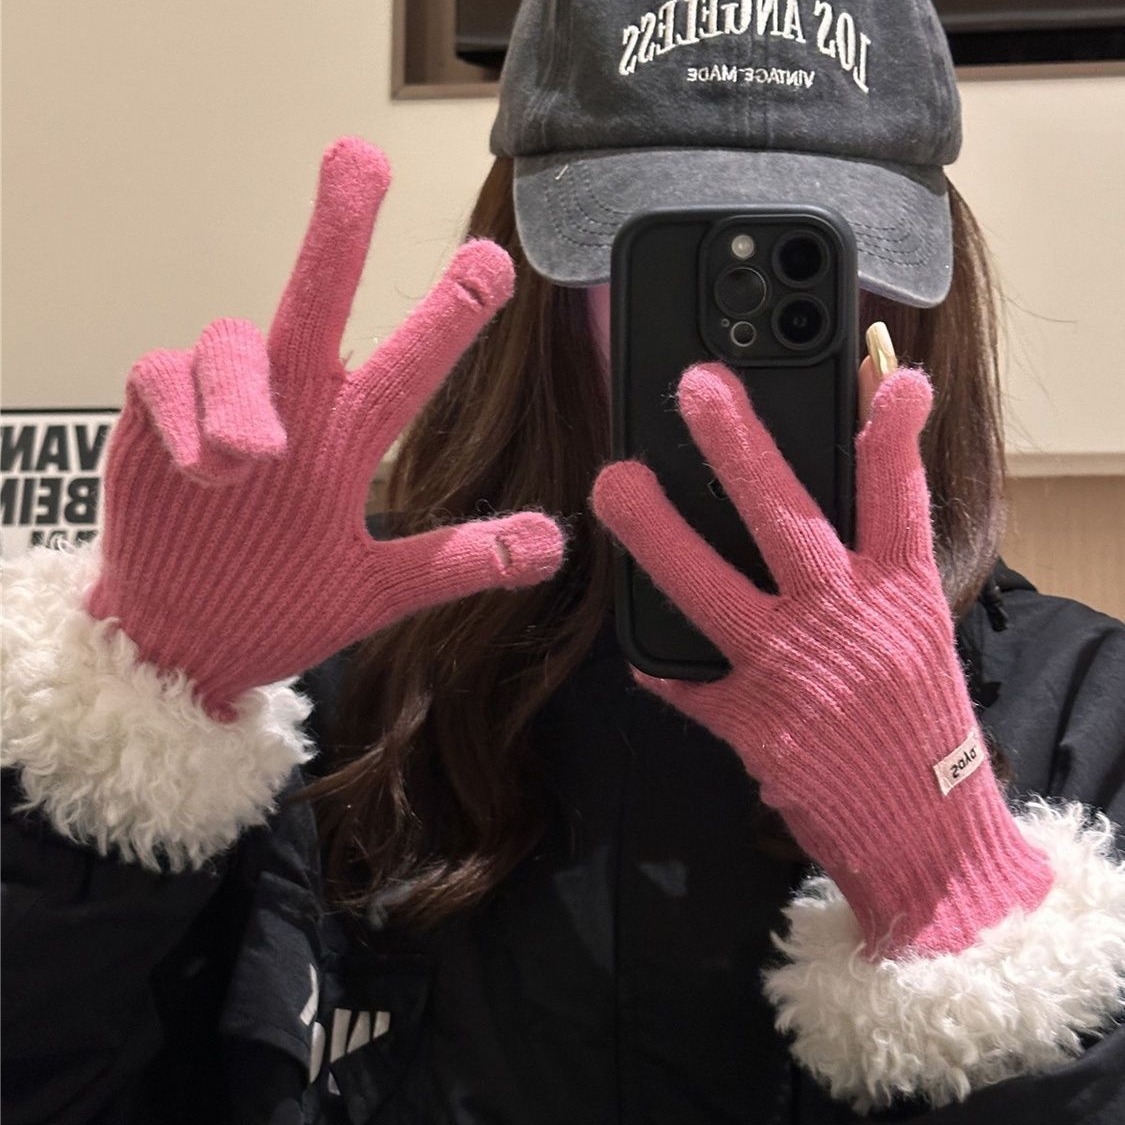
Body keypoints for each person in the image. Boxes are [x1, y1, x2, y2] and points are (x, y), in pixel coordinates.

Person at [3, 1, 1124, 1122]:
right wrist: (135, 710)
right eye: (657, 263)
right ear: (532, 293)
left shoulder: (1085, 711)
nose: (719, 352)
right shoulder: (315, 686)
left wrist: (953, 884)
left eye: (809, 266)